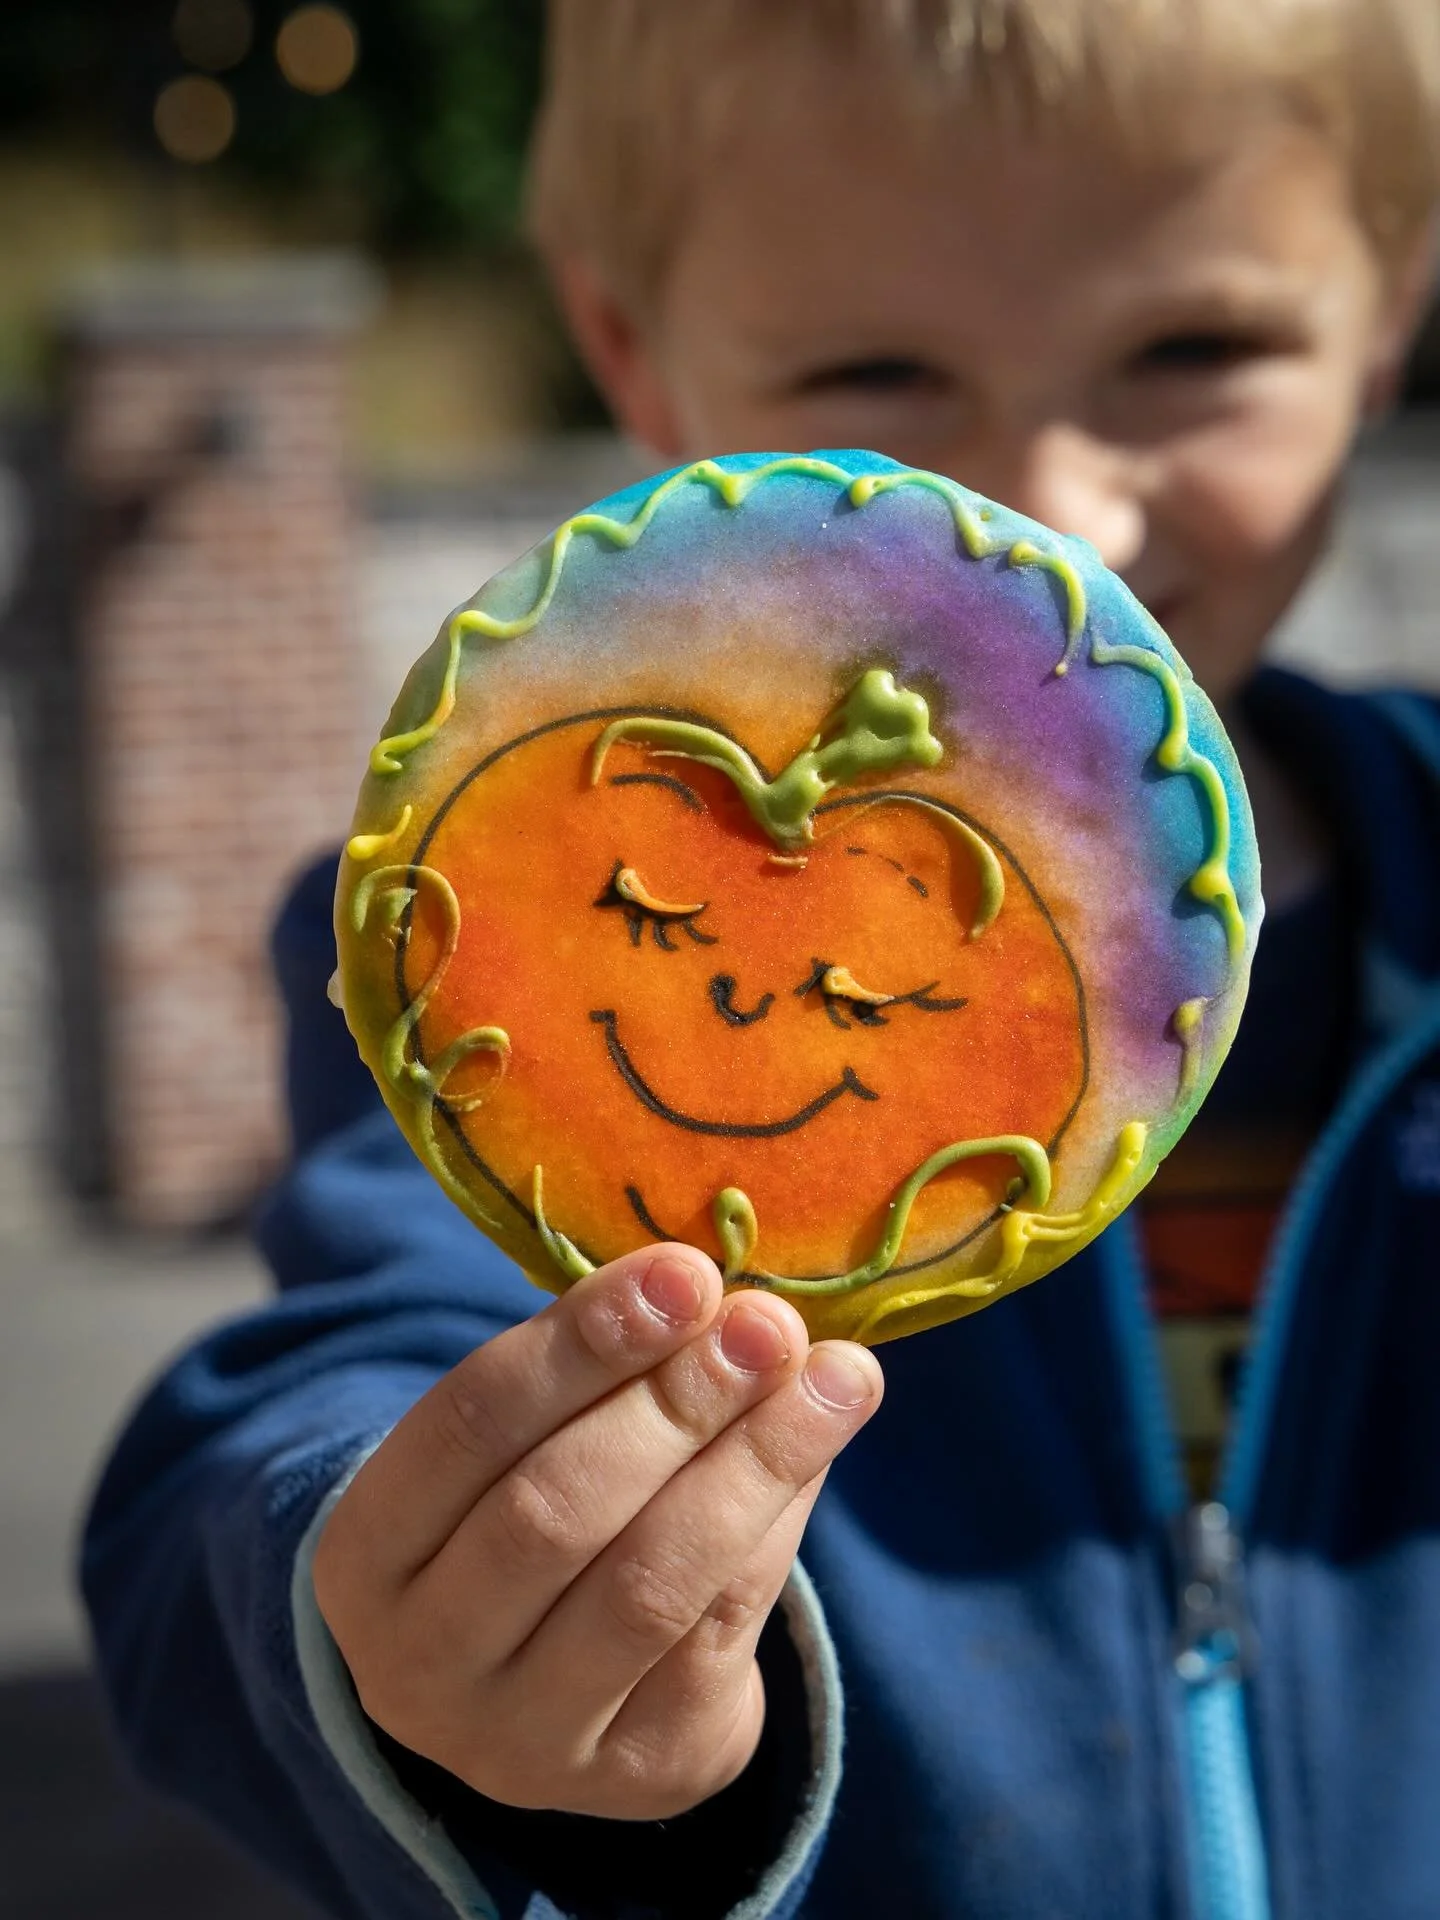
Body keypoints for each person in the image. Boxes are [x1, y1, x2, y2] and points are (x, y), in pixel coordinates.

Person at [82, 3, 1440, 1916]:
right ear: (631, 352)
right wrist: (423, 1647)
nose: (1051, 508)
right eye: (876, 370)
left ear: (1392, 305)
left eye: (1193, 350)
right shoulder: (496, 955)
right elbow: (302, 1421)